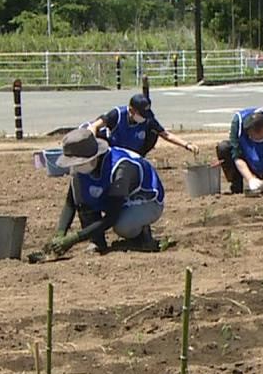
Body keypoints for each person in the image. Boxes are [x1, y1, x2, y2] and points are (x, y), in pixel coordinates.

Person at [46, 127, 165, 256]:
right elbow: (71, 202)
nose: (75, 167)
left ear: (94, 157)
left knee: (122, 226)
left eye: (79, 163)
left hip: (145, 200)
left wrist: (74, 238)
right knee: (82, 198)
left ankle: (142, 234)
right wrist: (60, 233)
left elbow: (112, 217)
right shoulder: (81, 169)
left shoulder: (120, 168)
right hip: (113, 196)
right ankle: (97, 242)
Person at [86, 93, 198, 157]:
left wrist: (187, 145)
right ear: (131, 110)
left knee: (153, 133)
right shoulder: (117, 114)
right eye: (141, 114)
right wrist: (90, 146)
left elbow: (166, 135)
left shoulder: (148, 120)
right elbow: (94, 126)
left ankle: (139, 158)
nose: (144, 117)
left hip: (133, 153)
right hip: (113, 151)